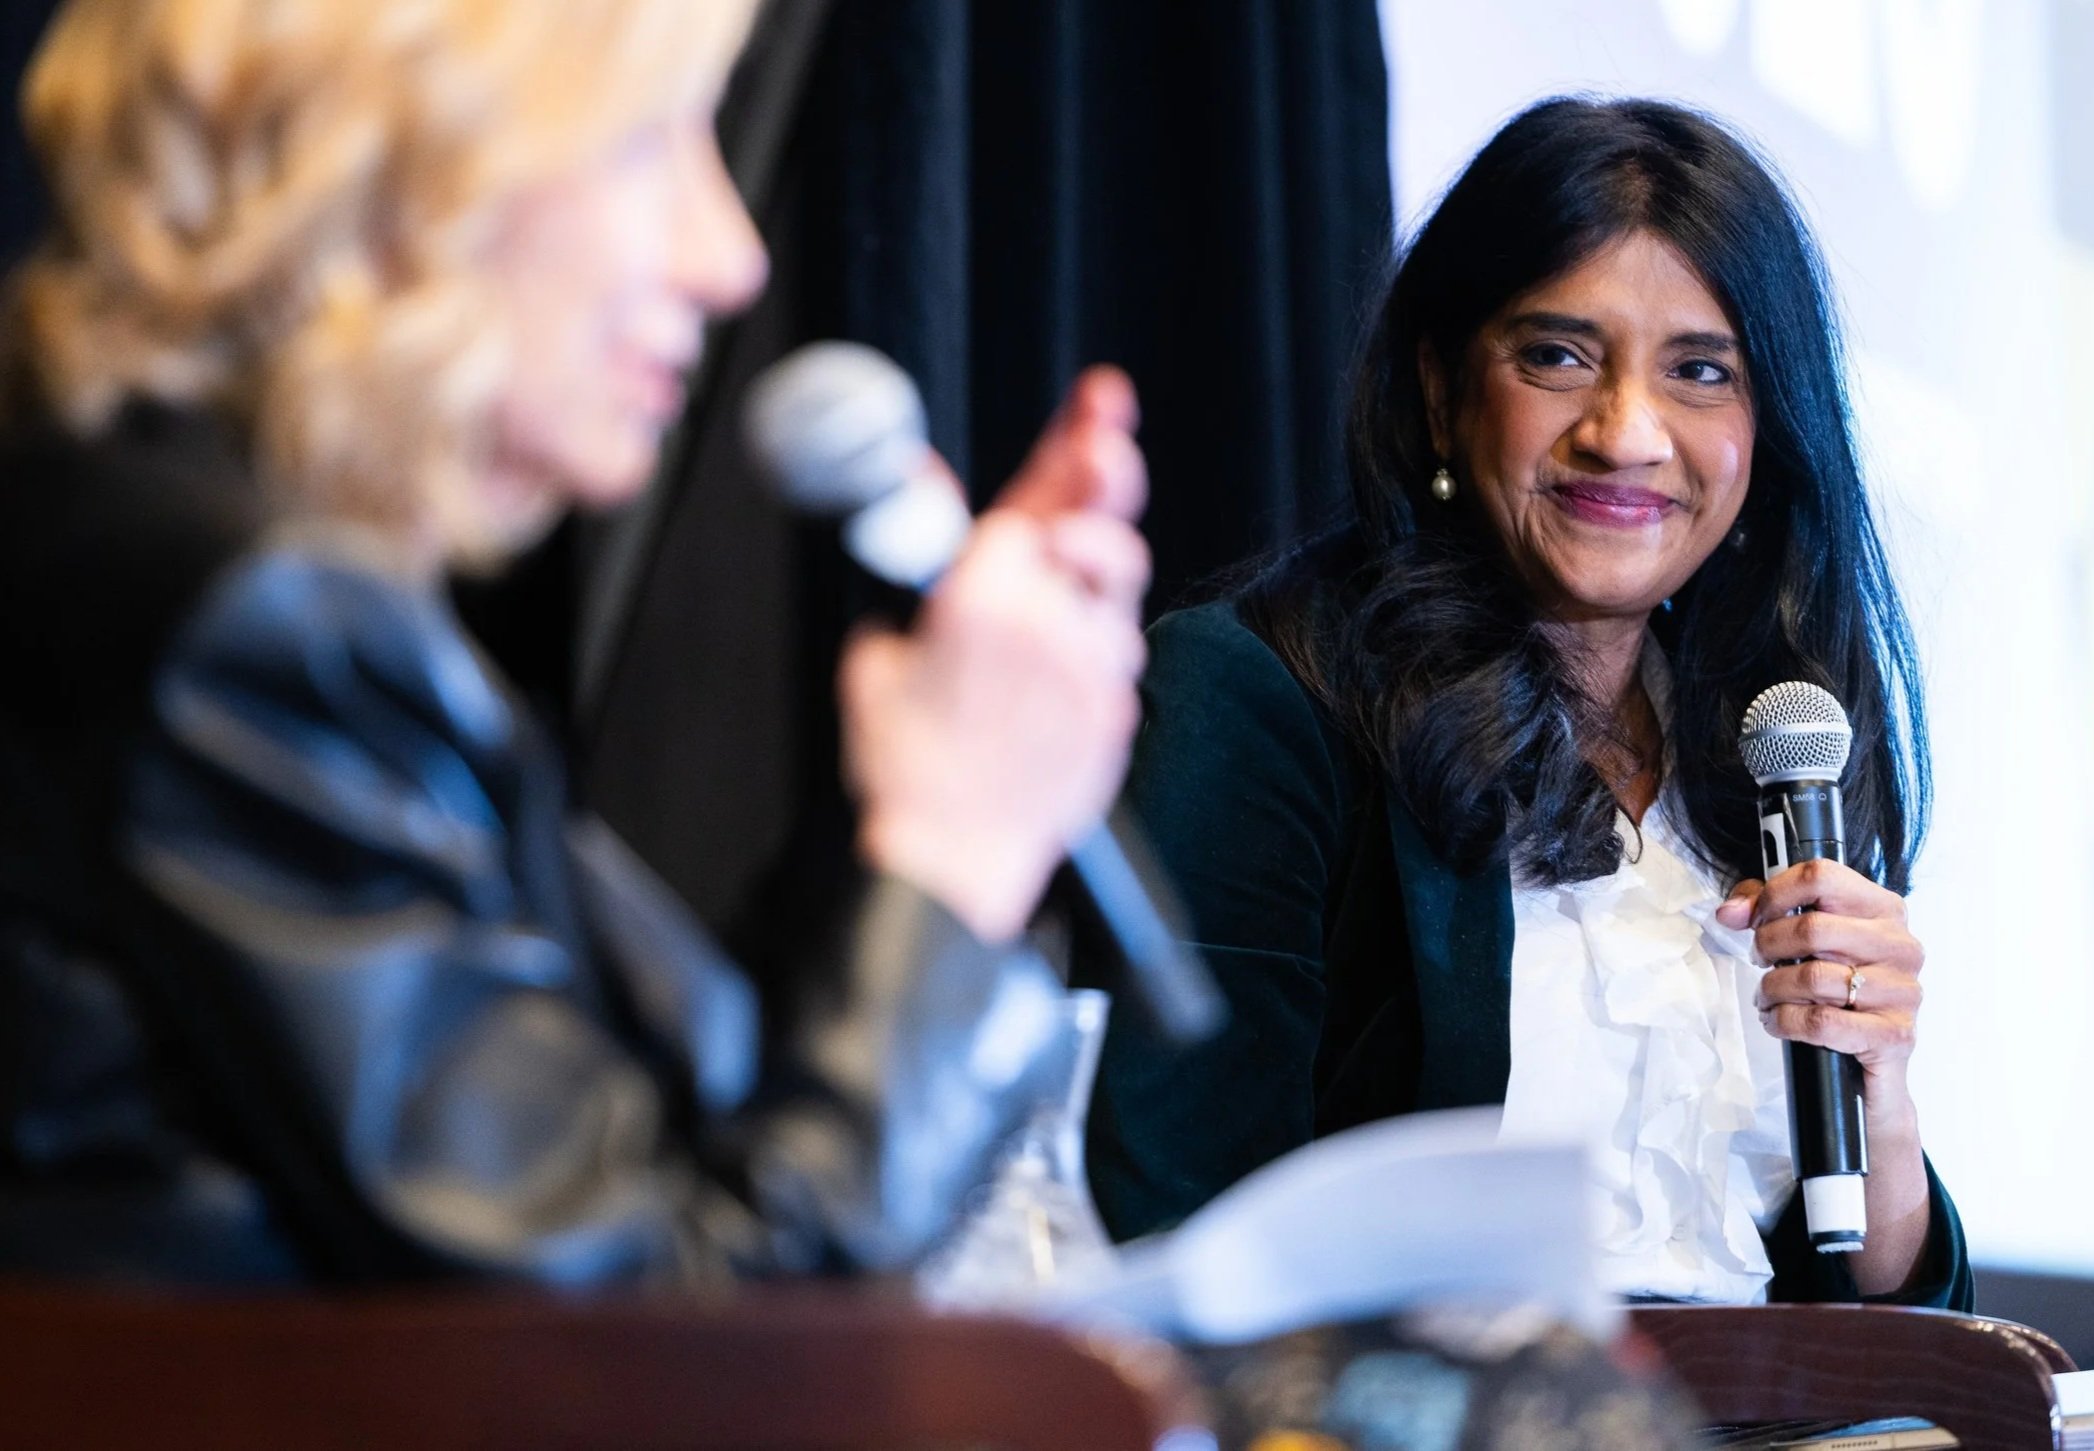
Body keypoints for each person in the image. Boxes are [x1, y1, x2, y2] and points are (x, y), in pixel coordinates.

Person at [0, 0, 1152, 1284]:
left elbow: (632, 1141)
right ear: (399, 157)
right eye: (652, 142)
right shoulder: (253, 620)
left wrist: (919, 795)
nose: (732, 259)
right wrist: (957, 852)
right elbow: (663, 1359)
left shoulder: (182, 562)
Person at [1083, 97, 1970, 1308]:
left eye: (1700, 372)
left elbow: (1873, 1302)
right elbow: (1177, 1239)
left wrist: (1881, 1087)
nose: (1626, 433)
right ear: (1441, 387)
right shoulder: (1253, 699)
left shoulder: (1761, 752)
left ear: (1768, 428)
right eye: (1556, 356)